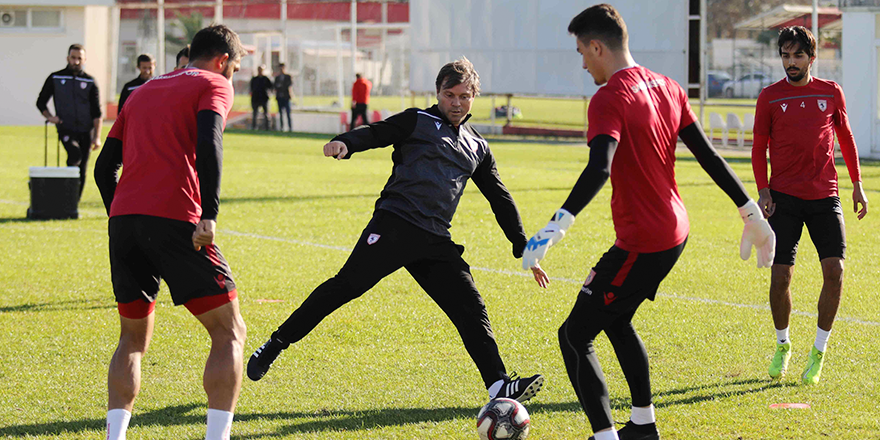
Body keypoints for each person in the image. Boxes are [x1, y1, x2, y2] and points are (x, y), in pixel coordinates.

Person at [521, 5, 775, 440]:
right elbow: (709, 155)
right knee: (616, 319)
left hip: (644, 240)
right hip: (675, 231)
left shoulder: (609, 98)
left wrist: (553, 228)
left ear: (597, 46)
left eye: (582, 51)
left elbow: (599, 167)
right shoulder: (668, 86)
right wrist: (750, 212)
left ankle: (606, 437)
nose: (582, 62)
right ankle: (643, 426)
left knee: (574, 335)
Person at [248, 57, 544, 404]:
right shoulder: (417, 120)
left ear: (474, 96)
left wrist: (521, 244)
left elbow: (500, 197)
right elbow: (377, 132)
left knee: (470, 305)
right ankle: (277, 343)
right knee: (346, 287)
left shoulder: (477, 146)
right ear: (438, 93)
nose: (456, 103)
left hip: (435, 239)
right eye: (450, 94)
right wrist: (346, 143)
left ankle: (498, 386)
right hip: (395, 226)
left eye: (464, 96)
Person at [93, 24, 247, 440]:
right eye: (234, 67)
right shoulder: (213, 83)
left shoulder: (141, 92)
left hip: (125, 223)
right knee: (229, 330)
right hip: (177, 219)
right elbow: (210, 142)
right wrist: (209, 215)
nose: (232, 76)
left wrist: (121, 214)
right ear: (221, 62)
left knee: (132, 338)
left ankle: (115, 436)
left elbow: (103, 167)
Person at [752, 26, 868, 385]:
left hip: (825, 196)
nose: (791, 62)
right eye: (785, 55)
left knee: (835, 272)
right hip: (783, 199)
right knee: (780, 276)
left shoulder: (830, 93)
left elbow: (845, 138)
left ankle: (818, 351)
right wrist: (763, 190)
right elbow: (758, 147)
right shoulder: (769, 97)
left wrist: (858, 185)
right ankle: (783, 345)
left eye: (797, 55)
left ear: (811, 58)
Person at [36, 43, 103, 199]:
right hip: (65, 128)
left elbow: (97, 112)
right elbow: (41, 101)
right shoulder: (56, 77)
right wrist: (50, 117)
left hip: (86, 130)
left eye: (80, 58)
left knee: (83, 167)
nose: (76, 61)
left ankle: (73, 202)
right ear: (68, 58)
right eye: (73, 58)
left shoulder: (90, 81)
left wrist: (97, 137)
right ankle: (65, 194)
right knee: (74, 154)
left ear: (85, 59)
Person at [249, 65, 272, 130]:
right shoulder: (254, 79)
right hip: (256, 98)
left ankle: (267, 127)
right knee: (255, 113)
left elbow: (270, 87)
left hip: (264, 98)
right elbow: (251, 88)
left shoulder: (266, 79)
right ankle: (254, 127)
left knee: (266, 114)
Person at [274, 63, 294, 132]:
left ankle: (290, 128)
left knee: (288, 113)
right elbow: (275, 86)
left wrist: (281, 86)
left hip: (286, 97)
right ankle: (282, 127)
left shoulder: (288, 76)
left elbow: (289, 85)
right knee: (281, 114)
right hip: (279, 97)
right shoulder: (277, 77)